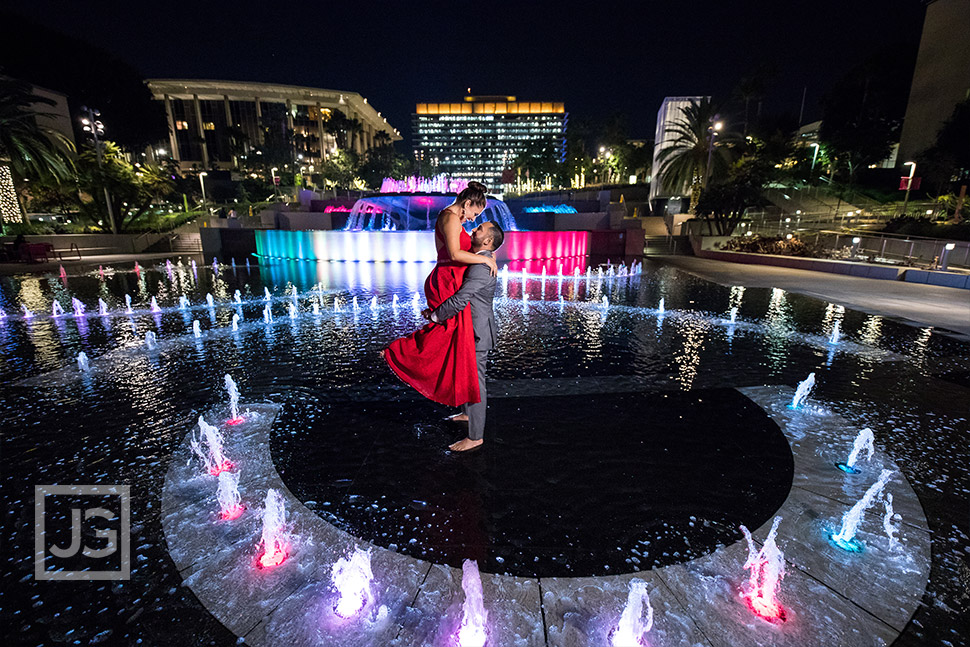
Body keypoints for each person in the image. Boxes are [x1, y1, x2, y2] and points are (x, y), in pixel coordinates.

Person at [383, 182, 497, 413]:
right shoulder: (451, 218)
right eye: (475, 213)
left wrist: (485, 254)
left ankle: (464, 404)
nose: (474, 220)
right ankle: (399, 353)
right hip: (446, 279)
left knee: (456, 335)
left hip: (451, 277)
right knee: (446, 331)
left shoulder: (455, 219)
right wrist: (485, 259)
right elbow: (455, 254)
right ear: (467, 204)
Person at [422, 221, 504, 451]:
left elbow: (460, 299)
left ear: (487, 241)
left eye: (480, 229)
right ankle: (468, 414)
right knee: (468, 373)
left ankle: (476, 436)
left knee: (477, 384)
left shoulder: (481, 267)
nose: (474, 229)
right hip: (473, 329)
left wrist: (436, 316)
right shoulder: (480, 260)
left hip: (478, 332)